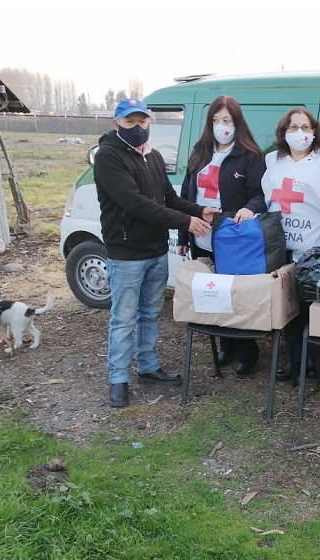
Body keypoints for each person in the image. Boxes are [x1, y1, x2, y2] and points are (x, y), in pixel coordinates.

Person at [94, 97, 218, 408]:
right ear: (116, 124)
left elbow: (169, 198)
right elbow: (136, 204)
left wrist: (201, 211)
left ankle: (148, 368)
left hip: (155, 251)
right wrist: (187, 222)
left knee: (150, 314)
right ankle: (117, 379)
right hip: (125, 253)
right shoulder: (108, 157)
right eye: (130, 122)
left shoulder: (154, 156)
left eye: (143, 121)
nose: (138, 128)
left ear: (150, 122)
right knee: (123, 319)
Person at [176, 95, 267, 376]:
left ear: (237, 123)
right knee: (213, 295)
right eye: (216, 120)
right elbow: (185, 196)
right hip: (201, 235)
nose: (221, 126)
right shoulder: (200, 151)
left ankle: (247, 350)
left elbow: (260, 196)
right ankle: (225, 344)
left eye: (226, 120)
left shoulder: (250, 156)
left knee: (236, 296)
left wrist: (249, 209)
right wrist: (183, 235)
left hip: (232, 239)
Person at [261, 107, 320, 380]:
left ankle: (310, 363)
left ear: (314, 132)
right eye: (293, 127)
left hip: (313, 246)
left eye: (305, 127)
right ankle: (290, 362)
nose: (300, 133)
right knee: (284, 304)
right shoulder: (271, 161)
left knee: (307, 305)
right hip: (279, 245)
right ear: (283, 132)